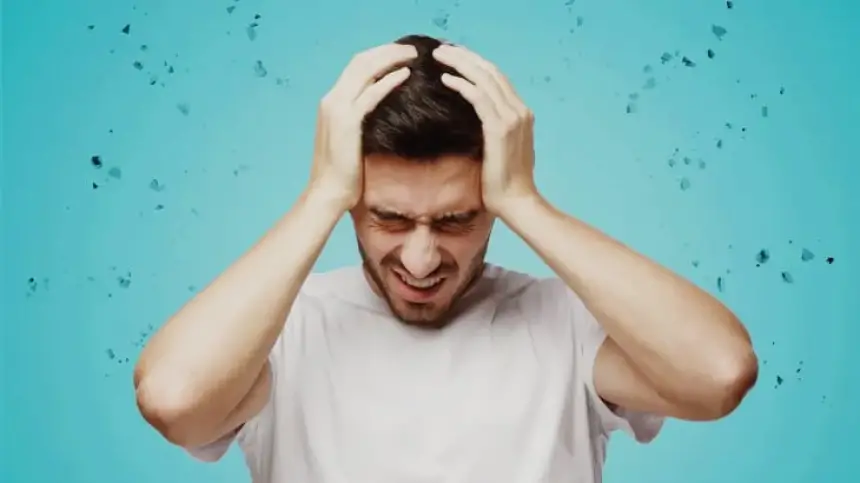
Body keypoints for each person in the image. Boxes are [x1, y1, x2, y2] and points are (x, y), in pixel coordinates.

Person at [133, 34, 758, 483]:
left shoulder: (566, 324)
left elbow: (719, 373)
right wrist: (320, 195)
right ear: (351, 201)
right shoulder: (283, 330)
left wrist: (526, 201)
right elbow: (174, 401)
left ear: (492, 204)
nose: (421, 259)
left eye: (456, 220)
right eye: (389, 218)